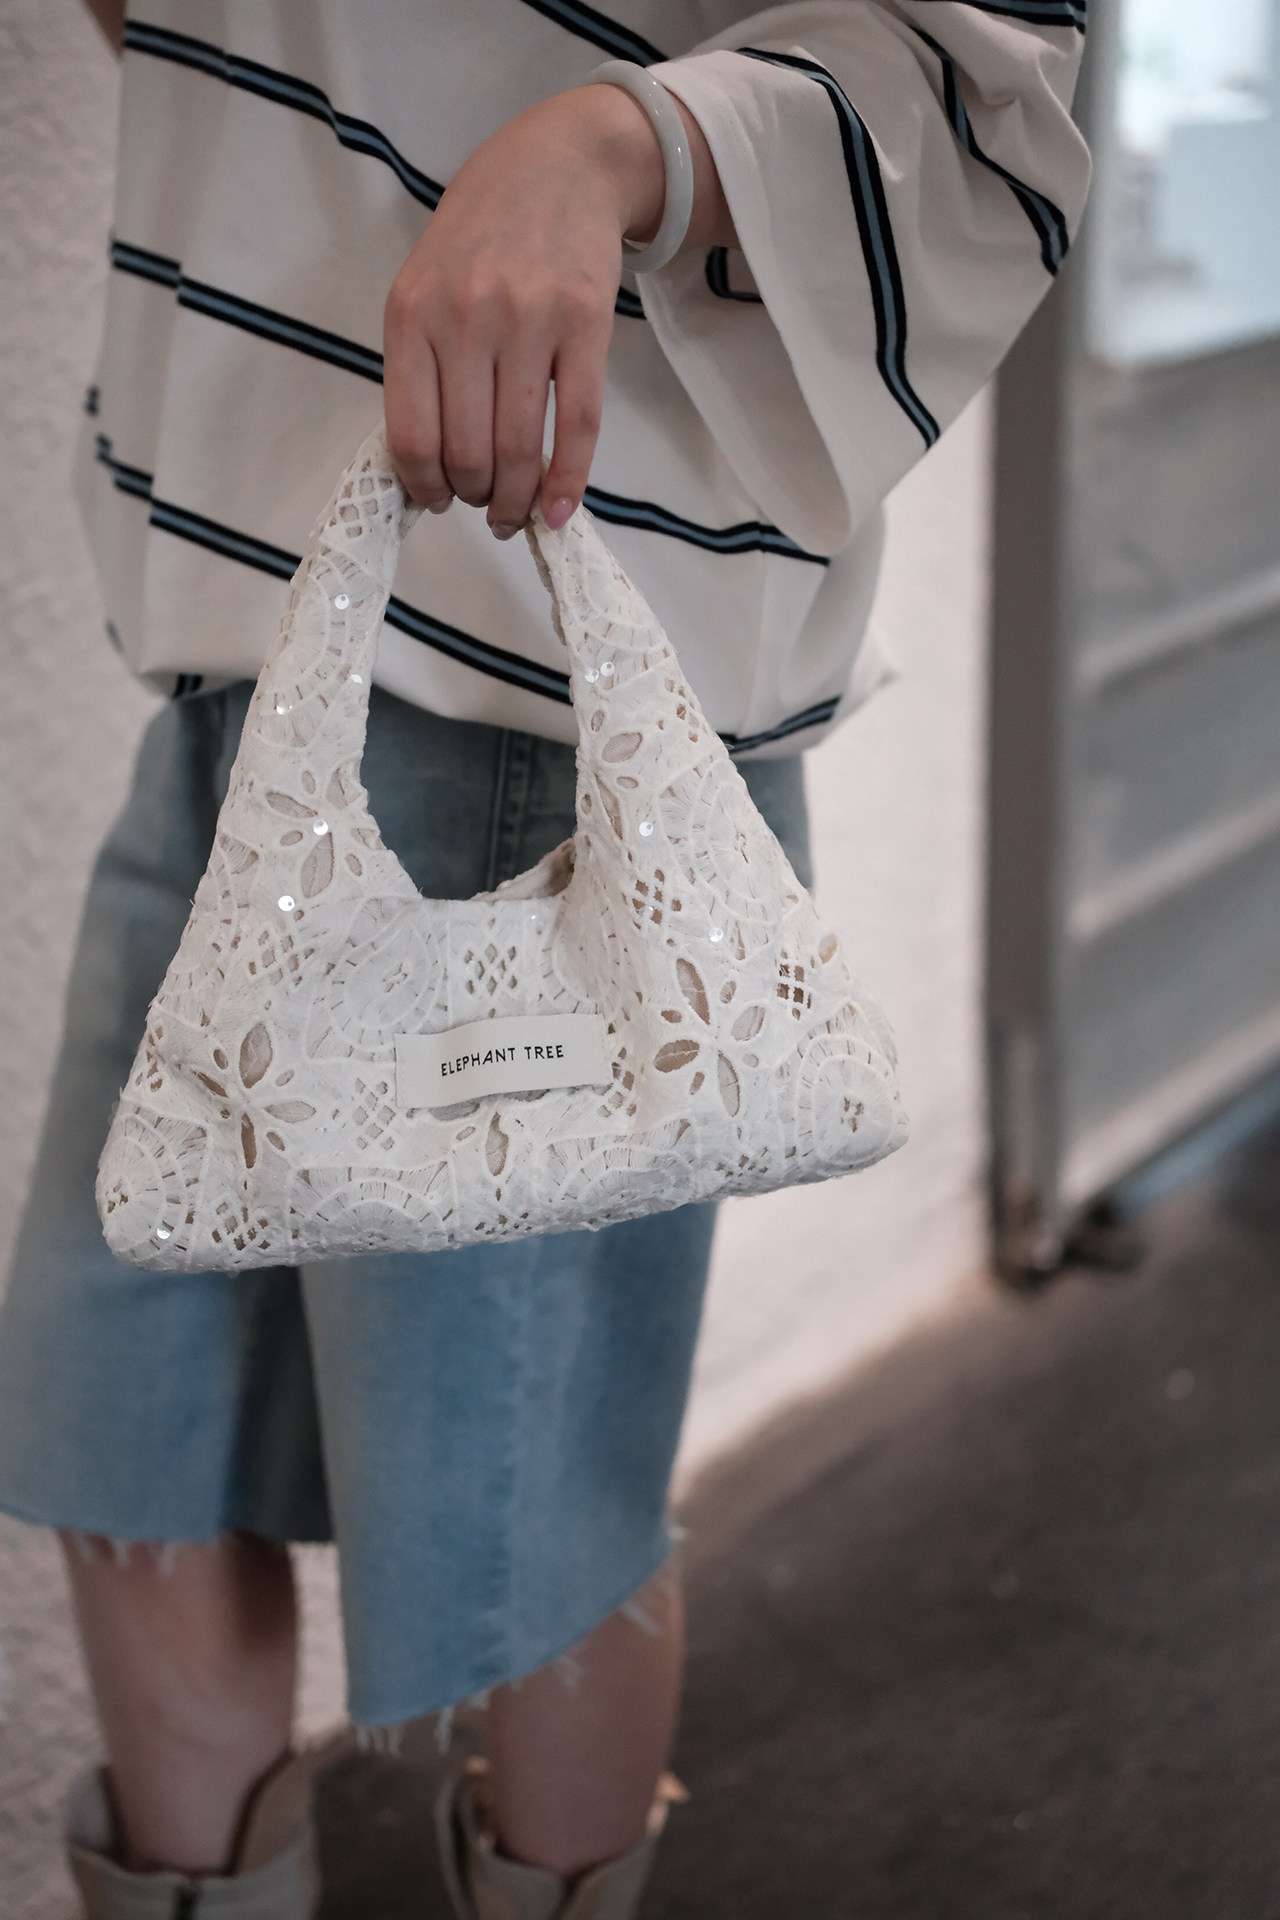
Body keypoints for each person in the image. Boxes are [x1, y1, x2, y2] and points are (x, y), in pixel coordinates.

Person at [0, 3, 1089, 1914]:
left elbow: (981, 66)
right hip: (236, 623)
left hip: (529, 687)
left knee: (520, 1535)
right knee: (135, 1447)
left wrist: (608, 144)